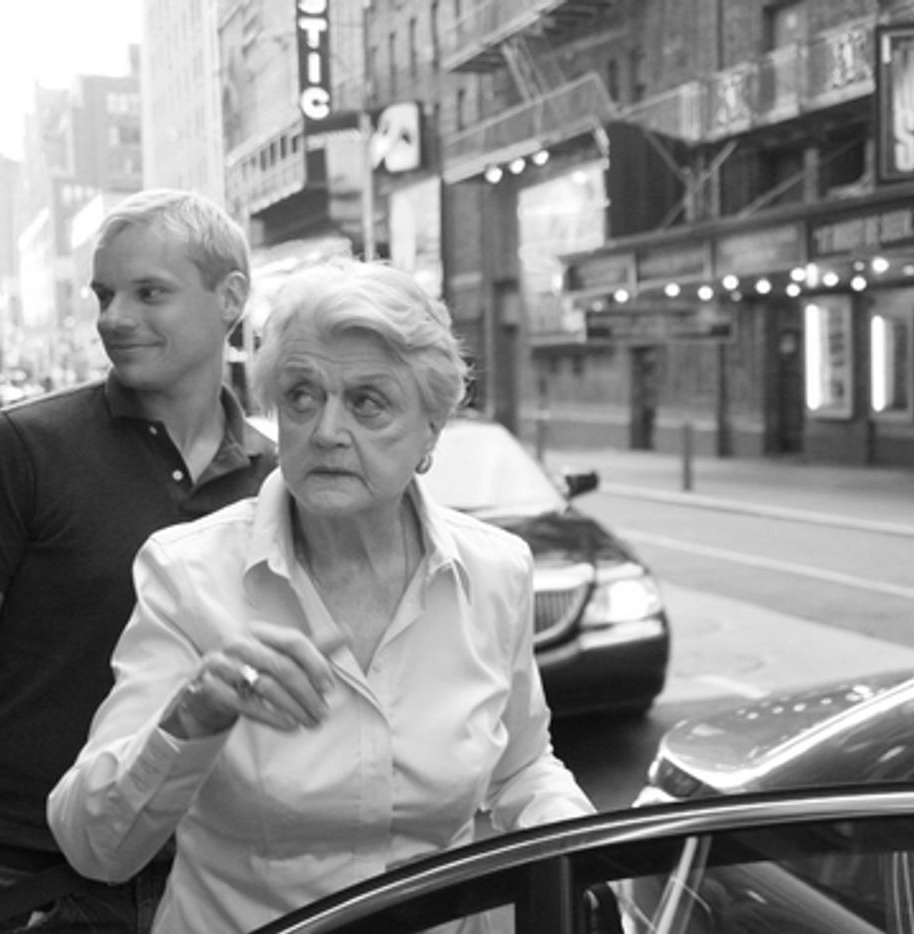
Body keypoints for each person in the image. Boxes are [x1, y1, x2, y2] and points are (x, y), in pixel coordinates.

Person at [47, 259, 595, 931]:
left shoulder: (494, 571)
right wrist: (193, 713)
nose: (327, 430)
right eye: (302, 397)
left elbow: (522, 768)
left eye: (368, 402)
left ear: (430, 434)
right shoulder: (188, 573)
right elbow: (95, 847)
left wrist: (584, 862)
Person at [0, 189, 276, 933]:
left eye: (149, 292)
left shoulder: (278, 483)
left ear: (231, 299)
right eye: (104, 294)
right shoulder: (21, 449)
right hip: (22, 870)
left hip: (206, 874)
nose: (114, 318)